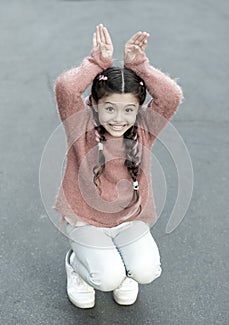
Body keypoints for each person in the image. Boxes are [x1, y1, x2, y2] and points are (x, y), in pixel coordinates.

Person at [54, 24, 183, 308]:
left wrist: (139, 66)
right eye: (110, 108)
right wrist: (97, 62)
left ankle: (124, 267)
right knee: (108, 279)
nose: (118, 118)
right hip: (87, 220)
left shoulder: (144, 128)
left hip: (128, 221)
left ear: (138, 110)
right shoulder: (81, 125)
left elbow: (171, 96)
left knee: (147, 271)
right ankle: (77, 266)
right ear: (95, 104)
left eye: (128, 109)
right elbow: (66, 88)